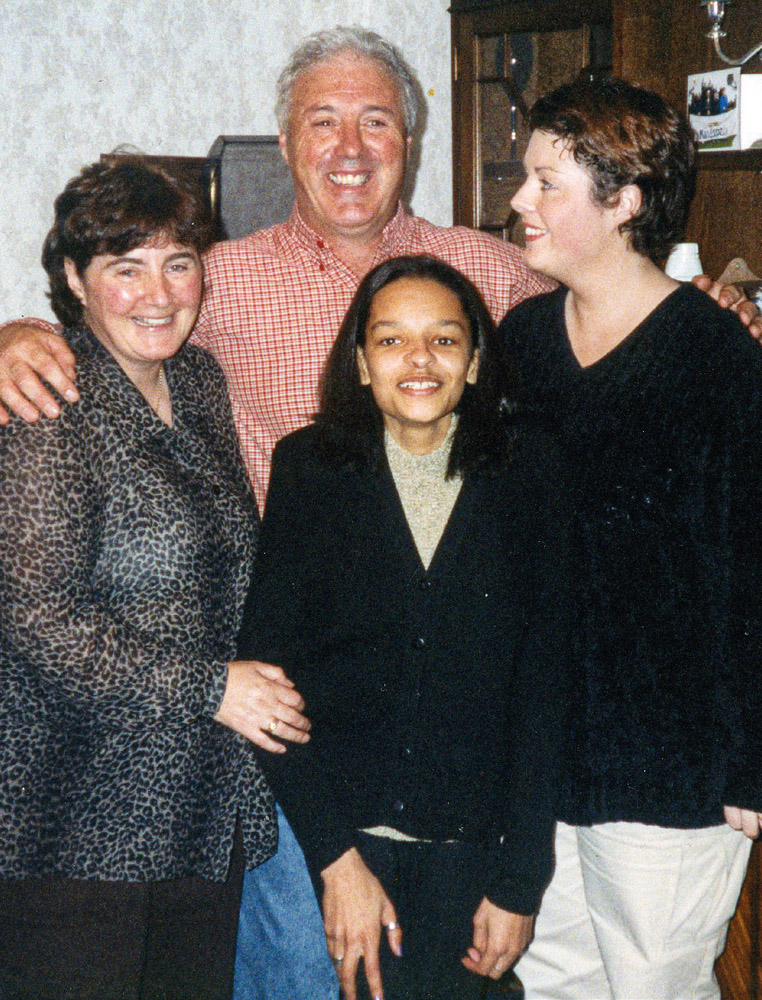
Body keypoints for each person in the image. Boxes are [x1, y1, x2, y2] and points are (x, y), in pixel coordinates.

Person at [0, 27, 757, 1000]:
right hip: (290, 733)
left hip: (465, 748)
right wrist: (21, 331)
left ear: (412, 137)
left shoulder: (495, 274)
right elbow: (119, 304)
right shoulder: (209, 282)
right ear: (285, 144)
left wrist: (716, 305)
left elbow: (623, 299)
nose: (350, 148)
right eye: (323, 122)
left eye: (376, 121)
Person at [0, 157, 310, 1000]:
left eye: (178, 263)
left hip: (199, 810)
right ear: (74, 279)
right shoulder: (46, 402)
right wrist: (213, 688)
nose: (159, 293)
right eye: (124, 268)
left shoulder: (201, 382)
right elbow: (36, 619)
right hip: (74, 820)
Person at [237, 254, 572, 1000]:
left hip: (470, 862)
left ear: (476, 362)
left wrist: (521, 881)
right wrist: (336, 862)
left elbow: (543, 691)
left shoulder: (532, 471)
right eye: (390, 341)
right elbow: (268, 685)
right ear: (360, 363)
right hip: (330, 848)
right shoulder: (308, 470)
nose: (419, 361)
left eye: (445, 340)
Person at [498, 77, 762, 1000]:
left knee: (656, 985)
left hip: (675, 767)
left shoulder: (718, 358)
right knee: (553, 981)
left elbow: (751, 570)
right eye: (525, 180)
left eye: (546, 184)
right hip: (547, 753)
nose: (519, 202)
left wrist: (752, 759)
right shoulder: (523, 341)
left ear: (625, 204)